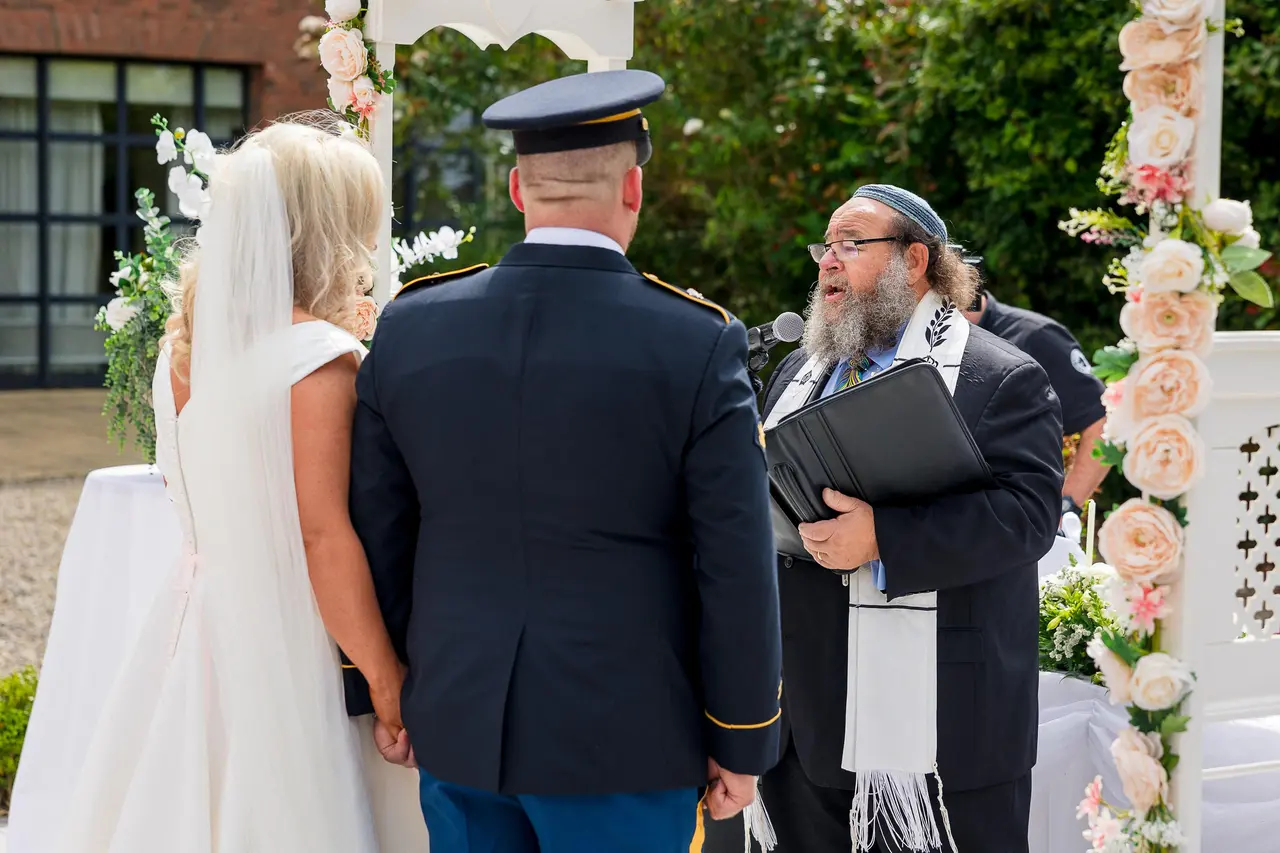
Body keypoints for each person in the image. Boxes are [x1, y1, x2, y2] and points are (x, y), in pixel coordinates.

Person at [343, 69, 783, 853]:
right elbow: (735, 561)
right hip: (625, 739)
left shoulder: (410, 325)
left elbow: (379, 527)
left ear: (518, 189)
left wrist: (391, 685)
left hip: (459, 722)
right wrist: (741, 733)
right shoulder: (695, 340)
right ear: (633, 187)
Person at [53, 117, 426, 852]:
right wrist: (390, 688)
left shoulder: (181, 353)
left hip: (191, 627)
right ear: (329, 230)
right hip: (284, 647)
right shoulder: (318, 359)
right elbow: (323, 539)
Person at [708, 185, 1063, 853]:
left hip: (940, 735)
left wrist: (883, 538)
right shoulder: (797, 369)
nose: (828, 261)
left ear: (914, 260)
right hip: (802, 727)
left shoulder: (999, 377)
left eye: (851, 244)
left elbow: (1028, 517)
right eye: (825, 246)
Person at [962, 287, 1111, 521]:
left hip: (1019, 526)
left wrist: (1065, 506)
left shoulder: (1036, 336)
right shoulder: (924, 339)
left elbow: (1101, 420)